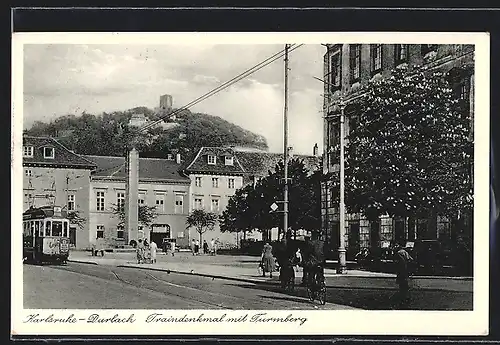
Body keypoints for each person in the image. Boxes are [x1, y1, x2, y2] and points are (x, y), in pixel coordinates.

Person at [394, 242, 413, 308]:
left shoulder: (398, 253)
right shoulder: (404, 252)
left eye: (396, 245)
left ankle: (402, 297)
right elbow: (410, 259)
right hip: (405, 269)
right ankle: (406, 296)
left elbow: (398, 263)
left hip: (401, 269)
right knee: (404, 282)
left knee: (401, 283)